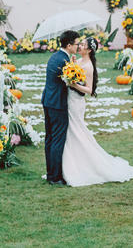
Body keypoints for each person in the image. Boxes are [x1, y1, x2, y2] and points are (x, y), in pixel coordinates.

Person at [62, 37, 133, 186]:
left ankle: (82, 166)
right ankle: (71, 164)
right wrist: (72, 64)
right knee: (71, 131)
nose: (80, 46)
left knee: (76, 130)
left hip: (76, 101)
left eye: (83, 45)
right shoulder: (78, 61)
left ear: (89, 50)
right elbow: (73, 73)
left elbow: (89, 90)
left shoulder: (89, 66)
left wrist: (74, 85)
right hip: (69, 98)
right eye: (80, 44)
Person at [41, 30, 79, 185]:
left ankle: (51, 173)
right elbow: (71, 82)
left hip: (48, 101)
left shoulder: (57, 56)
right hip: (57, 104)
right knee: (57, 139)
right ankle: (55, 177)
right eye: (76, 44)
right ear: (69, 45)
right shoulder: (63, 61)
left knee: (50, 138)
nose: (77, 47)